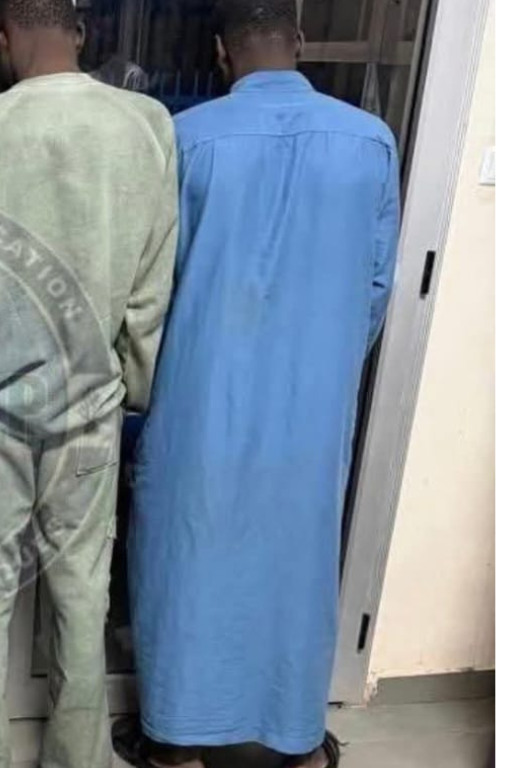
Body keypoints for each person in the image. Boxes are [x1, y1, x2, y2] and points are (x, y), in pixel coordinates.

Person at [116, 1, 401, 767]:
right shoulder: (369, 141)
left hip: (200, 394)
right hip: (312, 403)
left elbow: (149, 286)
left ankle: (176, 742)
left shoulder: (186, 138)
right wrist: (326, 358)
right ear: (299, 43)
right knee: (296, 563)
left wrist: (146, 381)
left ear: (220, 52)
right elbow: (377, 285)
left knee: (187, 556)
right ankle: (295, 740)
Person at [0, 0, 179, 765]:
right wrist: (128, 382)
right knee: (83, 597)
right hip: (90, 408)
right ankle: (78, 757)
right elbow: (151, 286)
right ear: (81, 33)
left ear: (1, 37)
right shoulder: (147, 126)